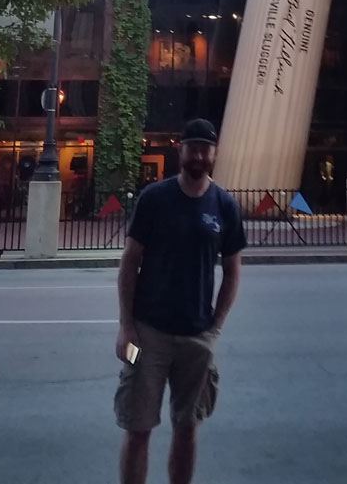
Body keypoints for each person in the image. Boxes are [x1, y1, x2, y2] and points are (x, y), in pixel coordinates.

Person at [115, 119, 246, 484]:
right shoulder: (154, 199)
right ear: (181, 150)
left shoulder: (225, 206)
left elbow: (233, 271)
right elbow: (130, 262)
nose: (200, 155)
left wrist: (215, 327)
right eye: (193, 147)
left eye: (206, 149)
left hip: (196, 339)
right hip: (146, 333)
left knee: (187, 428)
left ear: (214, 154)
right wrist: (126, 326)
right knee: (138, 427)